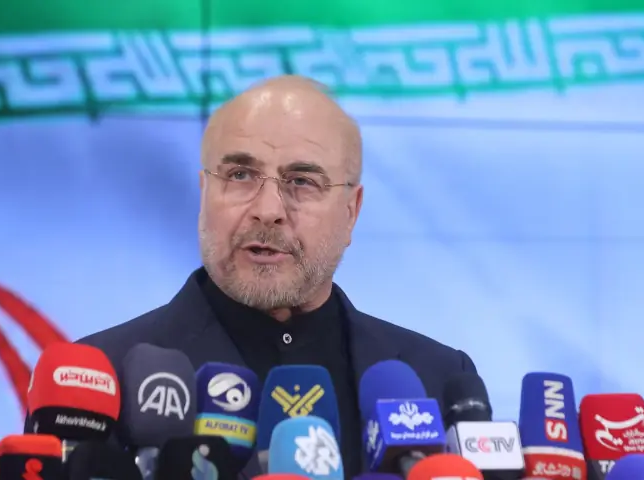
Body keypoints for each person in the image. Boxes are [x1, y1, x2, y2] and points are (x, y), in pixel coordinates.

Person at [28, 75, 482, 478]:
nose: (267, 210)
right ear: (204, 193)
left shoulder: (439, 380)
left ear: (351, 211)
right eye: (241, 174)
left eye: (302, 181)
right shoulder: (95, 382)